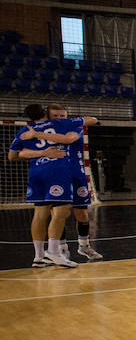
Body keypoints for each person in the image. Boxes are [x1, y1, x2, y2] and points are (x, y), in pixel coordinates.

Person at [9, 103, 78, 268]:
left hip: (36, 172)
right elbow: (77, 132)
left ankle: (38, 257)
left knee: (40, 212)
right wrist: (48, 152)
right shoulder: (58, 124)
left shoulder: (25, 130)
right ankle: (54, 252)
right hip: (56, 171)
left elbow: (12, 156)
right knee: (62, 209)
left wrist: (40, 153)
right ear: (46, 113)